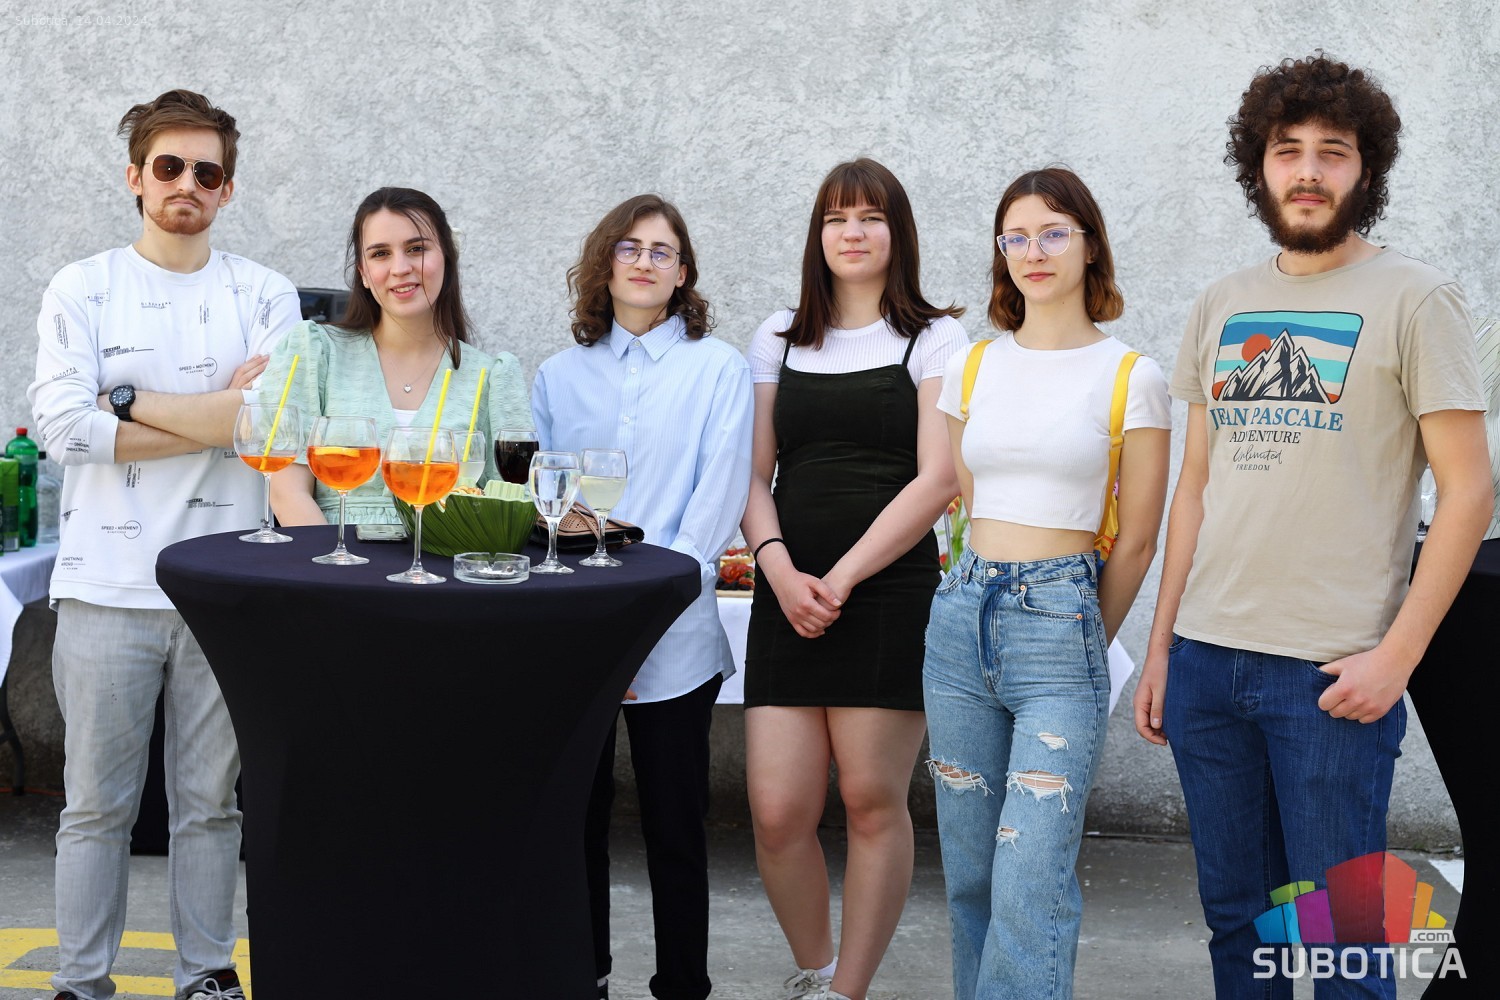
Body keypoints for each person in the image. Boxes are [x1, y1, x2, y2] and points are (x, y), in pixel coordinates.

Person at [1133, 53, 1492, 998]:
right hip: (1208, 664)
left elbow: (1469, 492)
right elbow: (1194, 489)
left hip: (1332, 677)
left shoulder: (1417, 298)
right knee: (1235, 924)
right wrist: (1163, 648)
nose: (1307, 171)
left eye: (1332, 152)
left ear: (1366, 170)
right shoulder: (1222, 302)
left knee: (1345, 948)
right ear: (1257, 166)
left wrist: (1397, 659)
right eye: (1286, 150)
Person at [27, 89, 303, 1000]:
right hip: (104, 587)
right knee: (93, 808)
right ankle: (80, 982)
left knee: (211, 808)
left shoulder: (263, 293)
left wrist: (125, 400)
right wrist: (216, 415)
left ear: (228, 188)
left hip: (226, 592)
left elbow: (271, 424)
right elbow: (62, 431)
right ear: (136, 178)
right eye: (169, 166)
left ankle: (206, 975)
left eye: (206, 171)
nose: (188, 183)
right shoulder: (82, 286)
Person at [925, 167, 1170, 999]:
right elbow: (969, 502)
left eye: (1054, 232)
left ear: (1090, 245)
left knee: (1030, 879)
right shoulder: (972, 366)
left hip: (1062, 623)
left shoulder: (1131, 374)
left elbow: (1137, 540)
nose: (1035, 251)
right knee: (969, 873)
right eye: (1017, 237)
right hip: (961, 618)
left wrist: (1079, 636)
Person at [740, 158, 968, 1000]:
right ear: (818, 234)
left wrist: (837, 579)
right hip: (787, 591)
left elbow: (938, 479)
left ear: (897, 233)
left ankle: (849, 993)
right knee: (777, 813)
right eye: (837, 218)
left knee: (872, 799)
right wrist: (779, 570)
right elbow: (751, 476)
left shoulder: (935, 338)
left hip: (887, 591)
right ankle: (816, 970)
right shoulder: (776, 336)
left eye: (871, 217)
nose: (853, 232)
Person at [531, 194, 752, 1000]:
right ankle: (583, 976)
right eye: (629, 247)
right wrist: (599, 616)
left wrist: (648, 609)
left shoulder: (718, 369)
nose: (645, 262)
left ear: (683, 272)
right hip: (578, 634)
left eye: (663, 251)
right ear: (605, 263)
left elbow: (717, 499)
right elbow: (546, 505)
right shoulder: (558, 376)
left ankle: (683, 985)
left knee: (675, 825)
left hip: (676, 631)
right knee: (576, 821)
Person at [263, 187, 528, 526]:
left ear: (447, 257)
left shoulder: (490, 377)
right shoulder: (316, 353)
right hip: (330, 554)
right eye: (380, 254)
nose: (400, 268)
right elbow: (287, 493)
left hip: (444, 559)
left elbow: (508, 509)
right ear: (363, 273)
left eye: (416, 249)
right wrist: (333, 559)